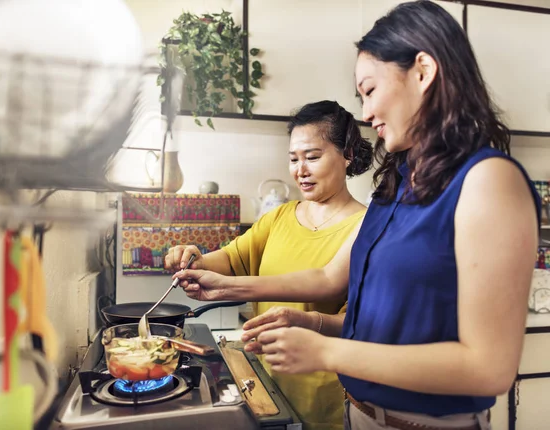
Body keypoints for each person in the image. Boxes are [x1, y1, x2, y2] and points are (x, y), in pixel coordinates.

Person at [173, 2, 541, 429]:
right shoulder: (399, 182)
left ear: (423, 71)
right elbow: (331, 278)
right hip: (359, 415)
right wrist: (263, 301)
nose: (365, 113)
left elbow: (488, 368)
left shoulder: (489, 181)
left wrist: (327, 352)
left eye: (370, 90)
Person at [164, 100, 372, 430]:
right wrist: (195, 257)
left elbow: (354, 319)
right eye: (293, 159)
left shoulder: (367, 225)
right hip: (265, 383)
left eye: (312, 157)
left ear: (347, 154)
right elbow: (232, 259)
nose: (300, 170)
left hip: (327, 396)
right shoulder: (279, 216)